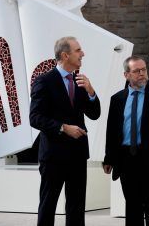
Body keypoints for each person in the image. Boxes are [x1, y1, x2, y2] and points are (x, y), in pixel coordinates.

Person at [30, 36, 101, 226]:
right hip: (53, 155)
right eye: (78, 50)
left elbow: (95, 114)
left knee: (76, 207)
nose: (83, 54)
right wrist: (63, 128)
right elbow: (35, 117)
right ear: (65, 55)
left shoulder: (80, 81)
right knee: (48, 205)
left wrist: (91, 92)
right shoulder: (44, 81)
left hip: (77, 155)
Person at [103, 56, 149, 226]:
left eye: (144, 70)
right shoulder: (117, 99)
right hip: (127, 159)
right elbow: (112, 131)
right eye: (137, 71)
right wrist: (109, 158)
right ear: (126, 75)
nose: (142, 74)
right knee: (132, 207)